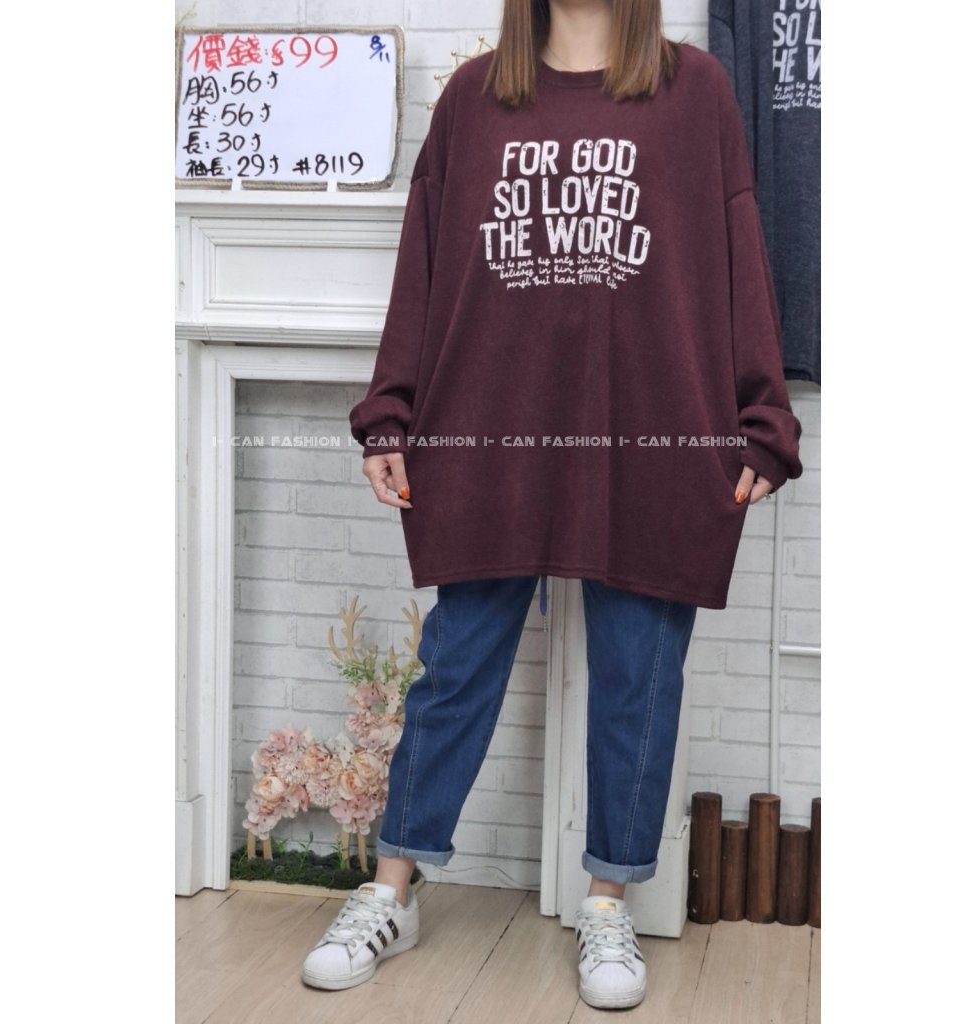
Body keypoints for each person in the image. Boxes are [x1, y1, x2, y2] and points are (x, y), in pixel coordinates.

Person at [302, 0, 802, 1010]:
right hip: (493, 417)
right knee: (457, 661)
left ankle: (607, 901)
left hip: (654, 419)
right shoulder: (471, 99)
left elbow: (739, 254)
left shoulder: (696, 93)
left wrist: (763, 415)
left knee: (639, 668)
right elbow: (424, 265)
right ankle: (391, 886)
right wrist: (390, 411)